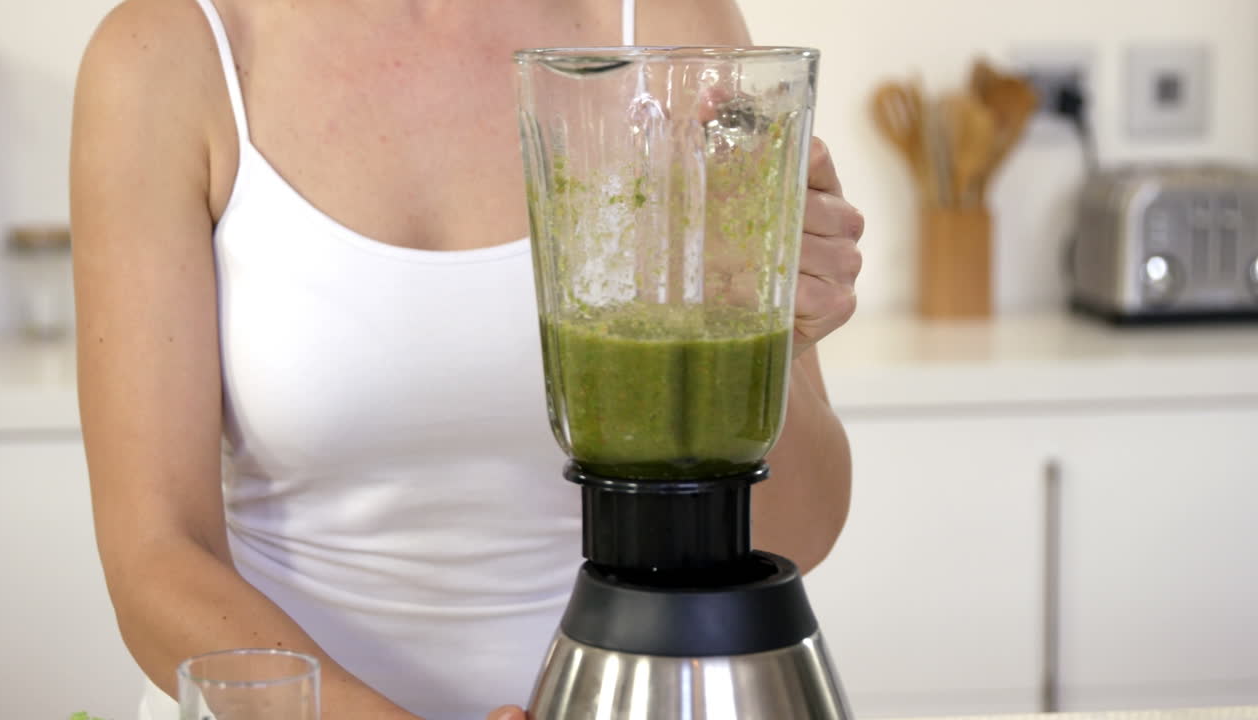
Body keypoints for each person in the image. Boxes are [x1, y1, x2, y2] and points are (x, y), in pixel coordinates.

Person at [69, 0, 864, 717]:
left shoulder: (669, 28)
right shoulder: (166, 55)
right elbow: (158, 557)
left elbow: (802, 529)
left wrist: (763, 342)